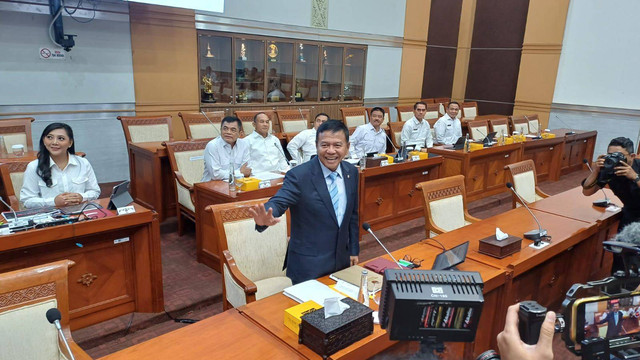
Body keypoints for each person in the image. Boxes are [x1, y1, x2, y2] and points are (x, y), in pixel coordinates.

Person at [249, 120, 359, 284]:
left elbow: (353, 216)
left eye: (337, 145)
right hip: (308, 265)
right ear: (316, 145)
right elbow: (280, 200)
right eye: (324, 145)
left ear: (347, 147)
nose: (330, 151)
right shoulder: (299, 176)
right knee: (308, 310)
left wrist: (353, 250)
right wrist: (266, 215)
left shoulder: (351, 172)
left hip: (341, 261)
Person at [20, 123, 100, 209]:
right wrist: (54, 202)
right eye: (49, 137)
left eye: (61, 138)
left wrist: (82, 197)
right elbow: (27, 200)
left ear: (70, 143)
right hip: (50, 217)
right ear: (43, 140)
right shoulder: (34, 167)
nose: (54, 142)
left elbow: (94, 191)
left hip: (81, 214)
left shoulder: (83, 163)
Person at [583, 137, 640, 232]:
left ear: (632, 156)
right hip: (630, 214)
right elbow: (587, 192)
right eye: (611, 155)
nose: (614, 159)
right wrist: (596, 171)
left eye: (619, 155)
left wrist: (635, 177)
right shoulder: (610, 169)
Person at [201, 116, 251, 182]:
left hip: (237, 183)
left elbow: (247, 169)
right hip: (212, 186)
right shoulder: (213, 146)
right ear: (220, 130)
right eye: (225, 129)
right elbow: (215, 175)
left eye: (233, 130)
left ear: (240, 133)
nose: (228, 132)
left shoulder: (244, 144)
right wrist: (239, 172)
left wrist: (240, 173)